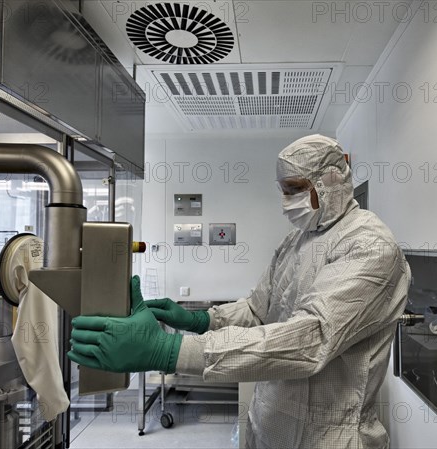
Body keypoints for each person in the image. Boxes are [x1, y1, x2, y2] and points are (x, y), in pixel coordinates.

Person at [68, 134, 410, 448]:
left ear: (330, 181)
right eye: (283, 190)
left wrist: (170, 351)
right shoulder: (296, 242)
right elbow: (257, 310)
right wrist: (199, 320)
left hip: (329, 438)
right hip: (269, 423)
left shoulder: (369, 245)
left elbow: (311, 339)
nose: (286, 201)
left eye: (293, 188)